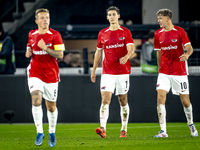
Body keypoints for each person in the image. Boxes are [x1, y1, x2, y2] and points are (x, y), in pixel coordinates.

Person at [90, 6, 136, 138]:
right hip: (107, 73)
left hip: (123, 72)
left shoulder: (125, 32)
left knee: (123, 101)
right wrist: (94, 70)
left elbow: (131, 49)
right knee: (105, 100)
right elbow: (98, 52)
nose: (111, 17)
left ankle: (124, 129)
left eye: (114, 14)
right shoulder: (102, 33)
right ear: (107, 17)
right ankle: (102, 128)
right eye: (109, 14)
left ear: (118, 16)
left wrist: (126, 57)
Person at [154, 8, 198, 137]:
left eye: (160, 18)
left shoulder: (180, 31)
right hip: (164, 72)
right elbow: (158, 52)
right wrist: (159, 68)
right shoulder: (157, 34)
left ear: (168, 18)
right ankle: (163, 131)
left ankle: (191, 124)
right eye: (158, 18)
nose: (159, 21)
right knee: (160, 98)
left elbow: (189, 48)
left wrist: (186, 55)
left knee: (185, 101)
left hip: (179, 72)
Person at [25, 8, 65, 147]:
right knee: (36, 101)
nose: (45, 20)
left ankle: (52, 133)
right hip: (35, 73)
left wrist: (46, 48)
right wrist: (28, 52)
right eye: (42, 18)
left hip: (51, 75)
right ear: (36, 21)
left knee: (51, 107)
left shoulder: (55, 35)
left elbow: (60, 55)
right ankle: (39, 132)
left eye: (47, 17)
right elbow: (29, 48)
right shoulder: (31, 34)